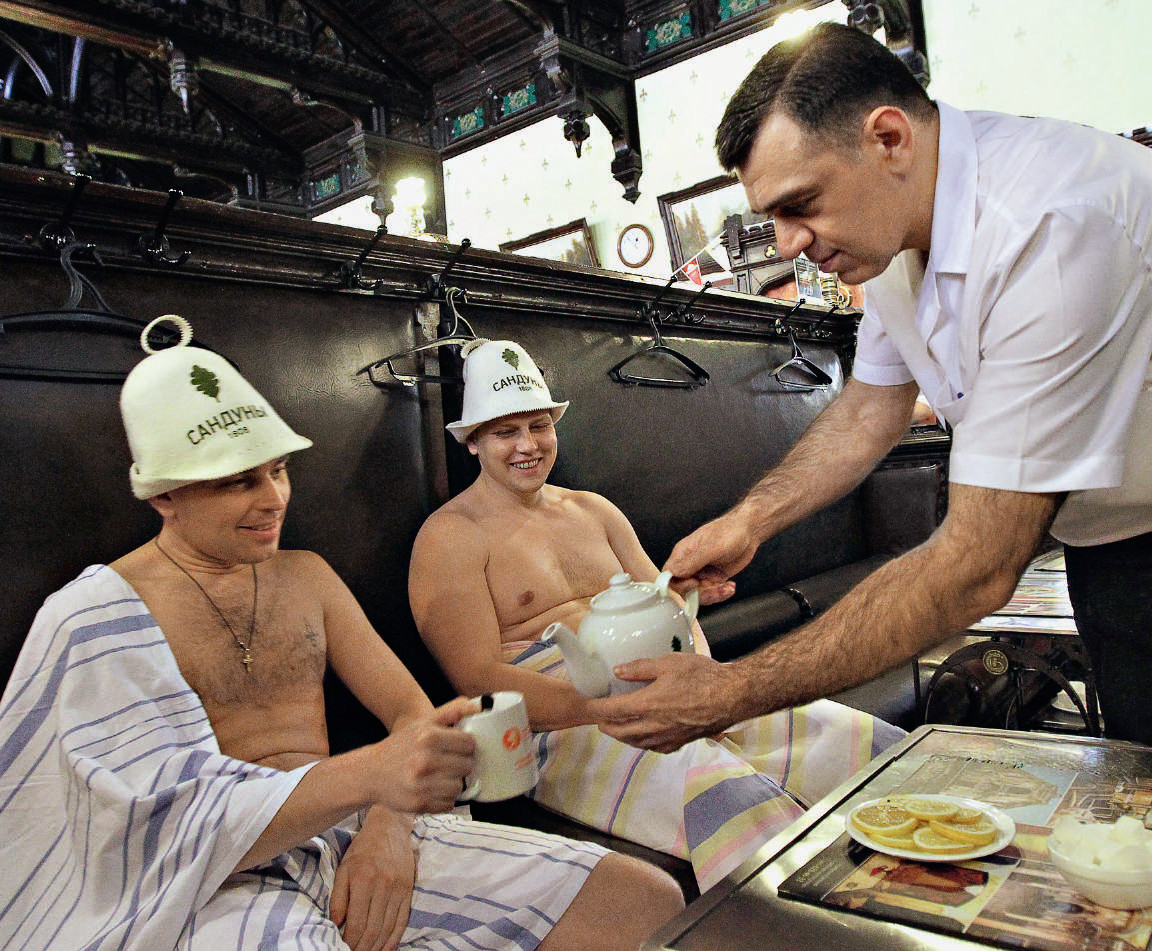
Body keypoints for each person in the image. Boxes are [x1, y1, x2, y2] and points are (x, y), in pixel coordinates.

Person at [0, 315, 684, 951]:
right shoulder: (94, 615)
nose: (273, 499)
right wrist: (374, 776)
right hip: (213, 876)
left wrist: (387, 823)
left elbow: (411, 711)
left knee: (642, 899)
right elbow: (130, 827)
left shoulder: (308, 576)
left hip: (355, 822)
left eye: (278, 470)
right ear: (164, 495)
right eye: (238, 482)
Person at [586, 21, 1152, 752]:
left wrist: (729, 692)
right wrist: (751, 520)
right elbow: (867, 411)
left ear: (889, 139)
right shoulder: (891, 233)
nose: (787, 244)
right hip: (1105, 544)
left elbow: (976, 566)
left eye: (801, 204)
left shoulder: (1051, 223)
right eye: (772, 217)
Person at [408, 338, 903, 892]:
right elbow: (477, 679)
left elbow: (666, 602)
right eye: (505, 432)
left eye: (539, 426)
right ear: (473, 441)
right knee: (725, 791)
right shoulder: (450, 536)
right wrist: (609, 707)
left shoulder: (594, 510)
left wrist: (699, 667)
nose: (528, 445)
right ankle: (820, 917)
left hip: (665, 686)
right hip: (556, 724)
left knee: (849, 736)